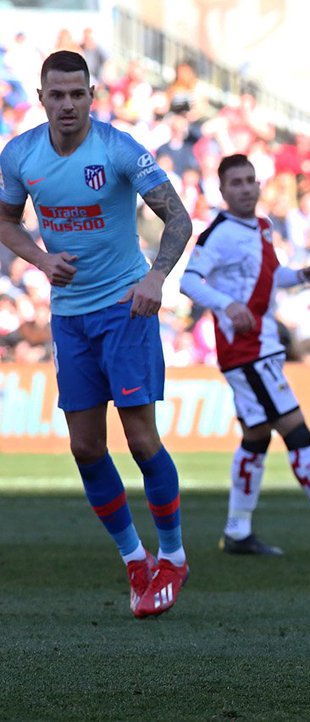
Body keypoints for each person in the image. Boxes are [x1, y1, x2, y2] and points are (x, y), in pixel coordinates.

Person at [0, 51, 194, 618]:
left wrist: (157, 277)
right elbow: (6, 221)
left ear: (91, 95)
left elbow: (178, 218)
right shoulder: (20, 155)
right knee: (85, 446)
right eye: (56, 95)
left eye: (76, 94)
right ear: (40, 98)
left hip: (126, 307)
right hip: (70, 315)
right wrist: (40, 258)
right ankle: (136, 559)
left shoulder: (118, 149)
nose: (67, 104)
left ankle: (174, 557)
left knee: (140, 441)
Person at [178, 154, 310, 555]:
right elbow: (189, 281)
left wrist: (299, 276)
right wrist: (226, 305)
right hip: (246, 350)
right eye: (235, 182)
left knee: (257, 437)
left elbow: (267, 277)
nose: (245, 188)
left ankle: (238, 531)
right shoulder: (218, 233)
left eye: (250, 180)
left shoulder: (260, 226)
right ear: (222, 191)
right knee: (296, 431)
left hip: (261, 346)